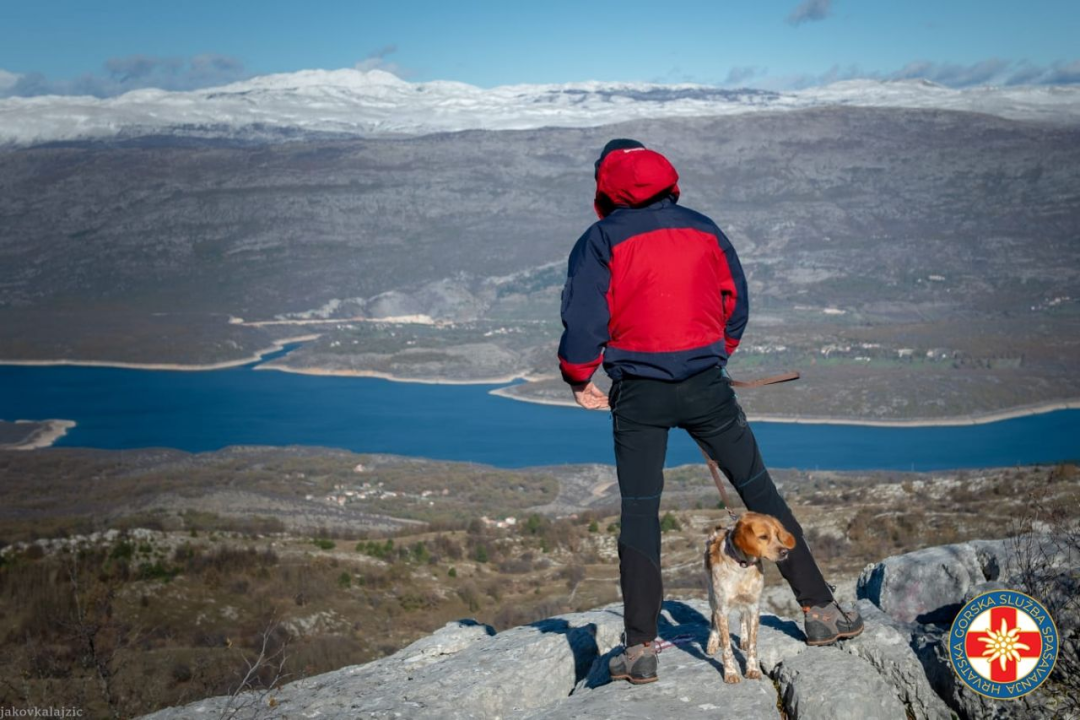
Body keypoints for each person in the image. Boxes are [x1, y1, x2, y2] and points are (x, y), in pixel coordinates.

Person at [557, 139, 863, 685]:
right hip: (707, 388)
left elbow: (583, 321)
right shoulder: (702, 227)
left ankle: (641, 650)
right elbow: (735, 302)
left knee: (640, 511)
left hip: (639, 395)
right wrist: (713, 353)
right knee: (760, 494)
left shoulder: (600, 240)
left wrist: (580, 377)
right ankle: (820, 613)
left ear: (605, 186)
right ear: (667, 177)